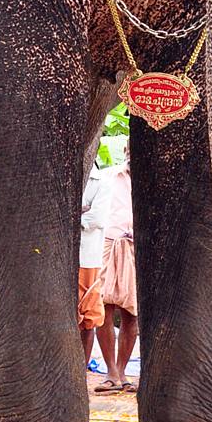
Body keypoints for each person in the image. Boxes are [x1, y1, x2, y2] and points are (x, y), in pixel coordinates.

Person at [94, 156, 138, 393]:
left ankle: (122, 371)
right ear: (126, 150)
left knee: (131, 312)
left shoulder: (148, 179)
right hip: (109, 245)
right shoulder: (109, 176)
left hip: (135, 248)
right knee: (104, 307)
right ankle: (110, 371)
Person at [79, 164, 107, 364]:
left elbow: (97, 218)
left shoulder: (102, 181)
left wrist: (72, 216)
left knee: (89, 318)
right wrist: (81, 212)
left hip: (88, 257)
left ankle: (83, 369)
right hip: (62, 257)